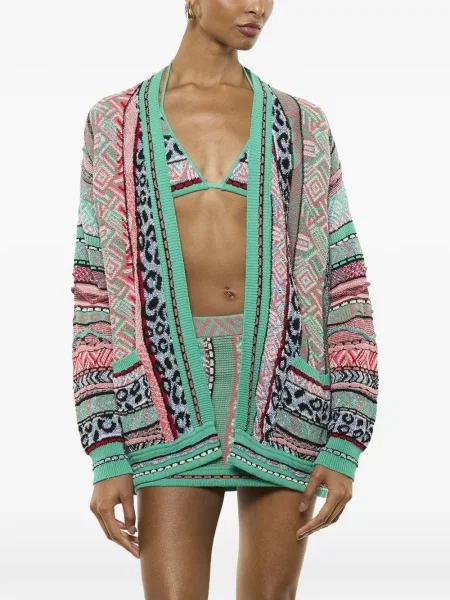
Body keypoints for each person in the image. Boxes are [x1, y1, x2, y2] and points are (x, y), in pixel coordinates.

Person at [71, 1, 379, 598]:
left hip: (288, 398)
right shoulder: (114, 122)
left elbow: (343, 280)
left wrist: (347, 438)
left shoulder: (302, 124)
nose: (257, 6)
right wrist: (105, 450)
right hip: (161, 403)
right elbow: (94, 291)